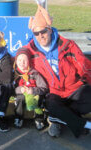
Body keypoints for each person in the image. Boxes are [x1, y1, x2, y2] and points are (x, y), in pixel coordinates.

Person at [23, 4, 91, 138]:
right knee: (51, 105)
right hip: (54, 92)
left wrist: (86, 81)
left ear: (50, 30)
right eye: (36, 33)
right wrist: (21, 54)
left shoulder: (67, 45)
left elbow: (84, 66)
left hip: (73, 89)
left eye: (43, 31)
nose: (40, 36)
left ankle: (56, 119)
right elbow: (20, 54)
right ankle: (84, 124)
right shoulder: (31, 49)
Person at [13, 48, 49, 130]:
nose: (22, 63)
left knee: (38, 98)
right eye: (19, 60)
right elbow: (13, 89)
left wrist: (33, 90)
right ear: (16, 61)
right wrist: (19, 89)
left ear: (29, 61)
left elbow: (44, 88)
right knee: (19, 99)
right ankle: (18, 117)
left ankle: (39, 118)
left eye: (24, 60)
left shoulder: (34, 73)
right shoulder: (16, 74)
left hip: (33, 93)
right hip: (22, 94)